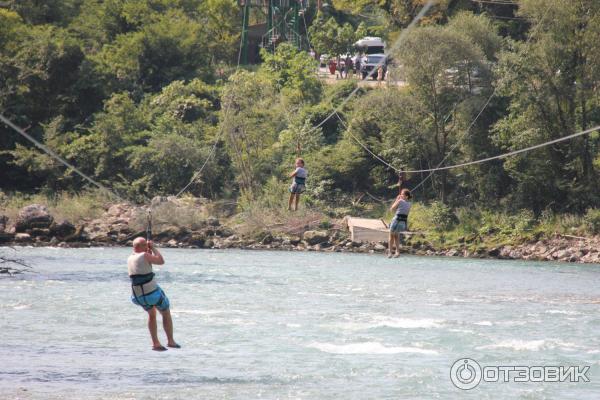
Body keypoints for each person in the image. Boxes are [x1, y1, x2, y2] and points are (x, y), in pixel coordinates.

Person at [128, 237, 179, 351]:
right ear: (142, 247)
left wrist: (147, 250)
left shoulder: (130, 258)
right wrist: (154, 248)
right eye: (145, 246)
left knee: (152, 314)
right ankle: (170, 341)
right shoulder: (145, 255)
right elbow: (161, 261)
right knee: (165, 312)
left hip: (137, 296)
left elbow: (143, 263)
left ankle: (155, 343)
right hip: (151, 294)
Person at [388, 188, 412, 258]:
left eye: (402, 194)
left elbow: (392, 209)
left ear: (406, 196)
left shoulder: (400, 201)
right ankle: (397, 252)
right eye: (400, 194)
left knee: (391, 235)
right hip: (403, 222)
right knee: (396, 236)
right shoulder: (410, 204)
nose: (401, 195)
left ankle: (390, 252)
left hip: (396, 220)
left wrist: (397, 200)